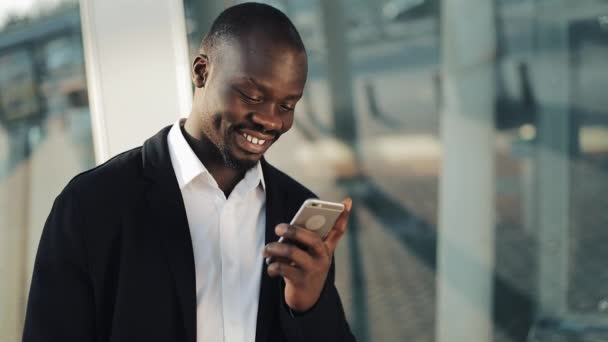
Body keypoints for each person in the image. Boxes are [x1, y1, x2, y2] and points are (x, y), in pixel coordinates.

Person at [22, 2, 356, 342]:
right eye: (252, 95)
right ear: (201, 71)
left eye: (287, 105)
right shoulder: (90, 206)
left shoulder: (293, 209)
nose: (271, 120)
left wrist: (311, 304)